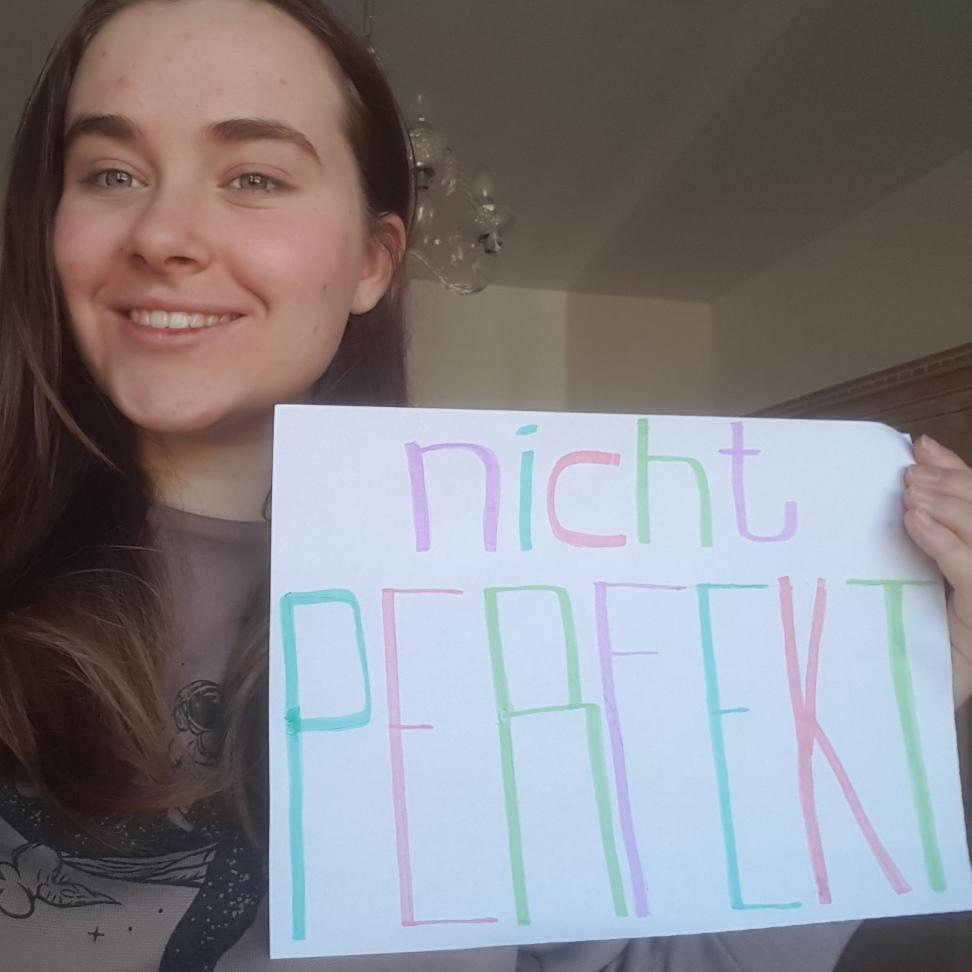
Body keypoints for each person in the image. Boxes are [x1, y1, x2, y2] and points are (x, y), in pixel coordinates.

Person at [0, 0, 969, 969]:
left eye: (254, 177)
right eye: (111, 173)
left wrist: (903, 698)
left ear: (373, 261)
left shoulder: (526, 604)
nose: (163, 234)